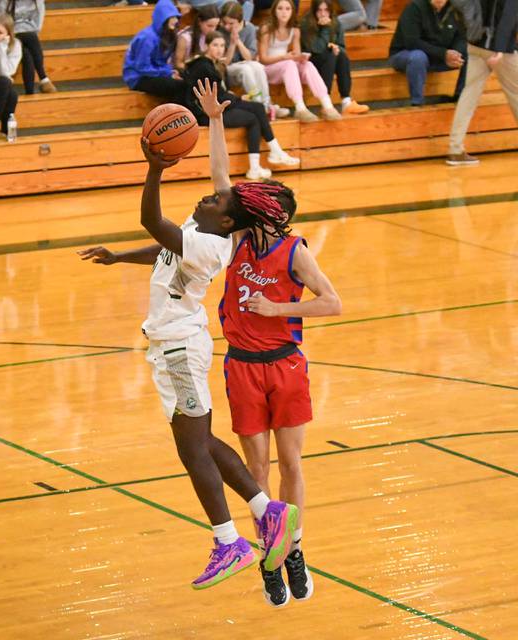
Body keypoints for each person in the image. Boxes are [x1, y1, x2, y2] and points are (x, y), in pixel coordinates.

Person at [78, 83, 300, 591]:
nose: (205, 195)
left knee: (192, 450)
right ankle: (268, 512)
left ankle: (229, 543)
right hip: (173, 343)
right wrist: (120, 257)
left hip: (178, 345)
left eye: (213, 200)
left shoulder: (209, 246)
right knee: (200, 443)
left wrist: (154, 165)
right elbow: (161, 245)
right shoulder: (206, 229)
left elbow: (150, 220)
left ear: (226, 221)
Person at [193, 88, 341, 607]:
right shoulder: (235, 242)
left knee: (291, 463)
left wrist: (277, 310)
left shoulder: (293, 252)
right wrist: (214, 121)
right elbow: (219, 181)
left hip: (285, 364)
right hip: (243, 367)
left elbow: (333, 303)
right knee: (256, 472)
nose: (235, 199)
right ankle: (268, 554)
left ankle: (293, 548)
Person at [184, 32, 300, 179]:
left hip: (217, 107)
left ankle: (263, 161)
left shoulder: (215, 64)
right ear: (206, 45)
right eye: (215, 45)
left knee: (256, 110)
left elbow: (221, 93)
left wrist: (235, 98)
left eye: (222, 45)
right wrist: (237, 98)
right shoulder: (203, 66)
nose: (219, 49)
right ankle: (267, 158)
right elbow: (216, 96)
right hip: (206, 113)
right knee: (254, 115)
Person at [446, 0, 518, 165]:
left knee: (468, 95)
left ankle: (455, 149)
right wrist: (499, 49)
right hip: (497, 49)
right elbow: (508, 16)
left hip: (475, 44)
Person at [260, 0, 343, 122]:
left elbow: (296, 55)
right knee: (289, 64)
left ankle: (327, 105)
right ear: (274, 11)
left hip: (285, 66)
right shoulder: (266, 29)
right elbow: (263, 59)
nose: (284, 12)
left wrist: (301, 58)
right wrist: (284, 57)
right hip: (268, 69)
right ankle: (300, 107)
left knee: (307, 64)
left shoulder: (295, 30)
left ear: (292, 12)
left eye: (288, 9)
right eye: (280, 8)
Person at [388, 0, 467, 106]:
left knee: (471, 54)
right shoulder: (414, 8)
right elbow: (412, 42)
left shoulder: (455, 9)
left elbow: (461, 37)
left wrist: (455, 54)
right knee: (418, 57)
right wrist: (443, 54)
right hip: (404, 54)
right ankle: (417, 103)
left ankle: (460, 98)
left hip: (438, 56)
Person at [219, 1, 290, 119]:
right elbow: (224, 63)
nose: (227, 26)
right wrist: (232, 44)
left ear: (240, 20)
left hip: (245, 65)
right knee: (246, 68)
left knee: (257, 66)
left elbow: (250, 57)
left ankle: (267, 104)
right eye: (225, 23)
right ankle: (260, 106)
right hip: (228, 71)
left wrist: (238, 42)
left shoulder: (250, 28)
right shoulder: (221, 31)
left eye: (231, 23)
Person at [301, 0, 369, 114]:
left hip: (329, 59)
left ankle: (346, 102)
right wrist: (325, 29)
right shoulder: (306, 24)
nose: (323, 14)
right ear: (314, 11)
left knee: (341, 56)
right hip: (310, 61)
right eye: (319, 10)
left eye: (326, 10)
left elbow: (342, 45)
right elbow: (316, 48)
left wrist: (337, 48)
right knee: (330, 55)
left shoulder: (335, 22)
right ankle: (325, 102)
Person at [123, 0, 185, 103]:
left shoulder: (168, 34)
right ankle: (178, 115)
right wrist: (167, 73)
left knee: (188, 79)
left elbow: (161, 62)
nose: (175, 21)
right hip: (138, 77)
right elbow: (142, 67)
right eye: (172, 17)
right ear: (162, 18)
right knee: (178, 86)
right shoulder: (147, 38)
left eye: (176, 17)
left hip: (154, 72)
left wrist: (170, 72)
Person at [0, 0, 55, 94]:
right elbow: (0, 22)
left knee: (27, 54)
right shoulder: (4, 1)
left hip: (30, 34)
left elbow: (38, 24)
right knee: (31, 38)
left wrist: (28, 31)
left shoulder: (37, 1)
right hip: (10, 34)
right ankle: (43, 77)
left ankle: (30, 92)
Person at [174, 4, 220, 73]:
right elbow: (178, 63)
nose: (213, 30)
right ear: (199, 22)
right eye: (209, 26)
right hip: (187, 72)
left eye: (215, 26)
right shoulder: (185, 38)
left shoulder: (212, 36)